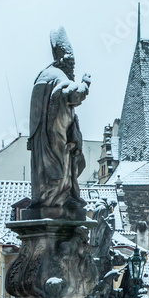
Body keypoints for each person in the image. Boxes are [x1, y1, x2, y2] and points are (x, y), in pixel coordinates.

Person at [28, 27, 91, 220]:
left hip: (42, 138)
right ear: (63, 59)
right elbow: (71, 94)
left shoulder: (43, 76)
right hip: (55, 137)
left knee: (47, 172)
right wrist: (85, 84)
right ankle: (61, 198)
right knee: (60, 168)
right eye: (71, 61)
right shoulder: (57, 76)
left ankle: (51, 197)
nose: (72, 66)